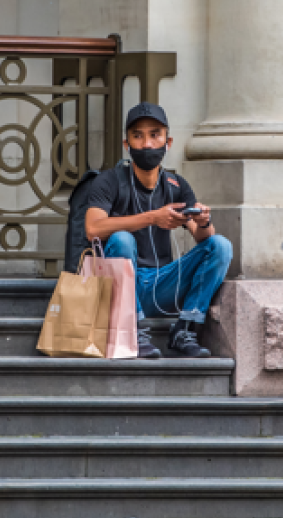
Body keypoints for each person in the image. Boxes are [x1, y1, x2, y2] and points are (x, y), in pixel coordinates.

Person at [84, 102, 233, 359]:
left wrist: (205, 221)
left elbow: (203, 239)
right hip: (117, 286)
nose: (147, 144)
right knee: (121, 240)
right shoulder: (109, 181)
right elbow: (93, 228)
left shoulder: (176, 185)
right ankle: (131, 330)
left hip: (163, 285)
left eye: (155, 135)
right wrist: (153, 217)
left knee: (221, 245)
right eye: (138, 136)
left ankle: (185, 329)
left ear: (168, 141)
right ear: (126, 143)